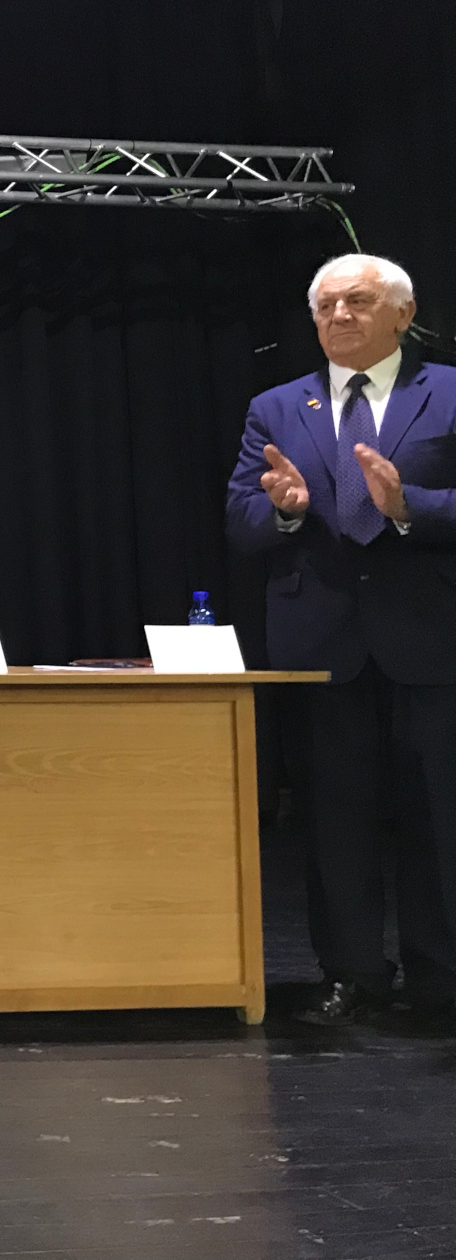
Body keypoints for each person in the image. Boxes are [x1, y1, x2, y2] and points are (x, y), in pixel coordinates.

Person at [226, 253, 456, 1030]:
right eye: (324, 306)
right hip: (320, 643)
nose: (338, 318)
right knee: (336, 818)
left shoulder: (450, 393)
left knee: (437, 815)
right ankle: (352, 971)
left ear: (402, 312)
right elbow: (241, 520)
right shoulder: (276, 406)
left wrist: (409, 504)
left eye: (356, 302)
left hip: (431, 639)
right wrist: (284, 508)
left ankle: (441, 977)